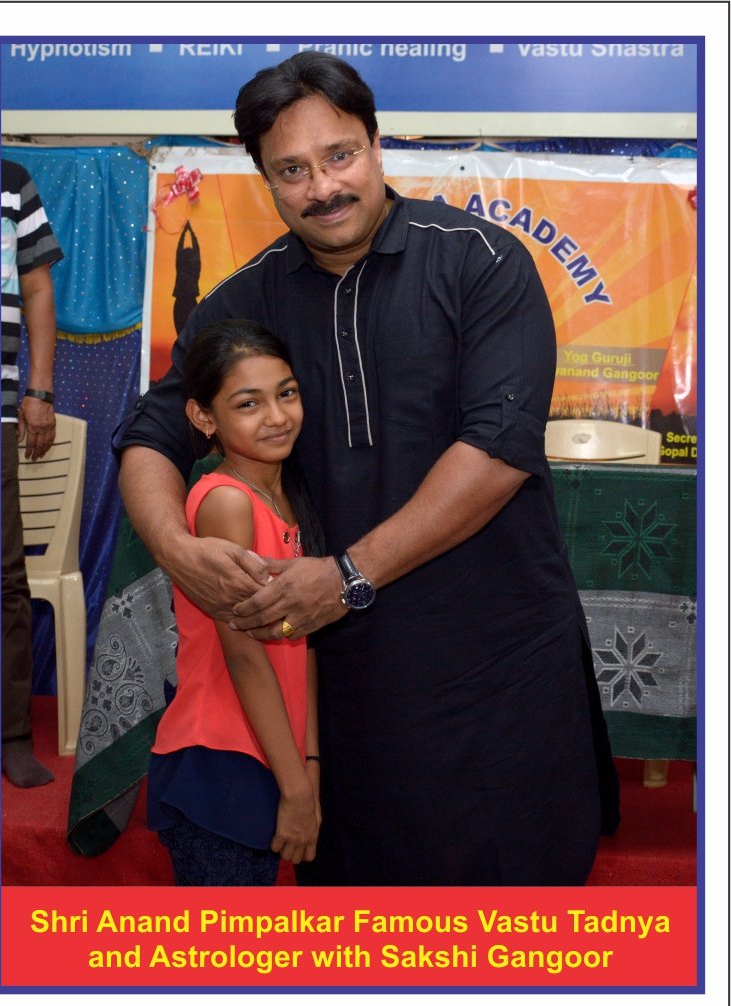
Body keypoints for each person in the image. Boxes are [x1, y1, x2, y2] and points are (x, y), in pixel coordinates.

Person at [116, 52, 619, 885]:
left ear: (378, 144)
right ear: (265, 181)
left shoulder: (479, 261)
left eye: (340, 155)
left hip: (495, 668)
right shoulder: (244, 301)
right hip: (343, 688)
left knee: (517, 919)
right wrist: (176, 549)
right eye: (292, 170)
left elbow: (498, 448)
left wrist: (347, 576)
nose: (323, 187)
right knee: (361, 918)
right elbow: (152, 430)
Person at [147, 319, 322, 885]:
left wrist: (308, 764)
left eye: (286, 393)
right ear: (204, 417)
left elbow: (302, 641)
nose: (276, 416)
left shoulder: (287, 497)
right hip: (221, 755)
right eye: (249, 403)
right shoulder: (228, 502)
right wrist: (297, 787)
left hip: (271, 750)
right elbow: (244, 654)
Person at [1, 159, 63, 788]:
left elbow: (37, 288)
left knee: (2, 578)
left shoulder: (9, 181)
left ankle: (11, 735)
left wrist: (38, 391)